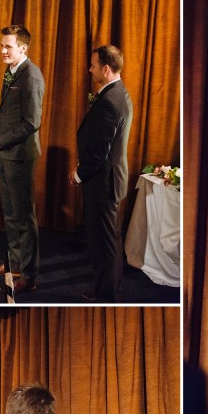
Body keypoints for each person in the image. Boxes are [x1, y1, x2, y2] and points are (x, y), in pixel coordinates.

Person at [0, 25, 45, 295]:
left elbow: (32, 122)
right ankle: (14, 264)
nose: (3, 51)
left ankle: (29, 276)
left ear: (23, 48)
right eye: (1, 46)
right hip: (6, 154)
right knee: (10, 214)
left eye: (8, 46)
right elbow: (4, 110)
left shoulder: (31, 75)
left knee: (24, 216)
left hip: (20, 157)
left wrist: (2, 141)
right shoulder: (10, 72)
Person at [70, 45, 133, 303]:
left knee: (105, 244)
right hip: (109, 180)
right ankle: (108, 289)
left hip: (103, 182)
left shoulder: (109, 102)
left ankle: (106, 294)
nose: (90, 69)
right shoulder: (119, 93)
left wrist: (78, 175)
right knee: (109, 240)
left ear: (106, 69)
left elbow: (99, 151)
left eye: (94, 65)